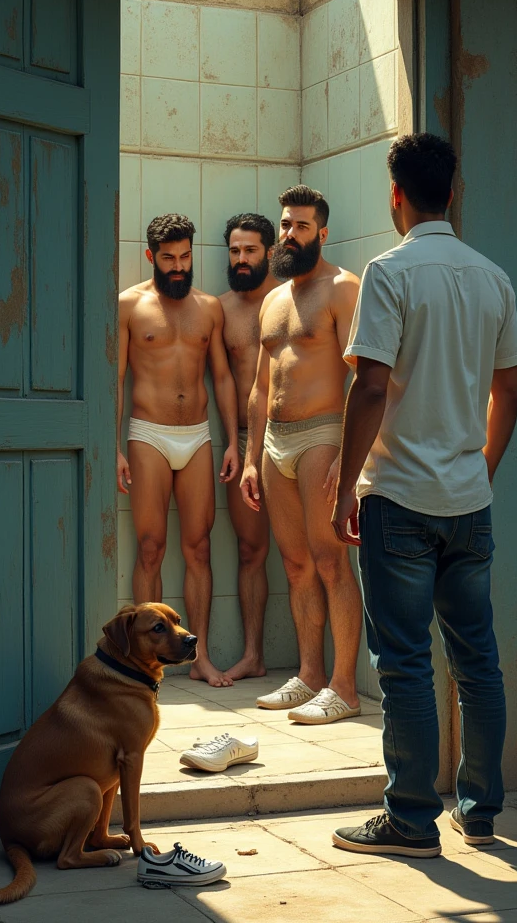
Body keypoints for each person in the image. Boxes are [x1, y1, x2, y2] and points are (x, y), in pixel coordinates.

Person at [331, 133, 517, 857]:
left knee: (407, 661)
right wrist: (482, 465)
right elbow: (510, 390)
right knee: (478, 660)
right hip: (467, 501)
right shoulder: (491, 277)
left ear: (395, 195)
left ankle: (410, 820)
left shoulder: (389, 272)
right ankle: (478, 811)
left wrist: (344, 485)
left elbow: (371, 384)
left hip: (400, 502)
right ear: (455, 191)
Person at [240, 185, 364, 724]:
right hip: (275, 443)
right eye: (285, 224)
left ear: (323, 233)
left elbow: (369, 373)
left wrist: (351, 452)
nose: (289, 234)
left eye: (301, 227)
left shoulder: (344, 289)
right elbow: (260, 386)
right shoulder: (272, 299)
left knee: (330, 560)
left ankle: (344, 687)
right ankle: (310, 675)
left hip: (323, 435)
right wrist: (249, 455)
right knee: (295, 566)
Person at [117, 213, 239, 688]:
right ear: (152, 256)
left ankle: (200, 656)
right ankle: (143, 665)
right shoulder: (129, 305)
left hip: (198, 436)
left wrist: (230, 440)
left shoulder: (209, 308)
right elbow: (118, 378)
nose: (178, 266)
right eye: (168, 258)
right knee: (151, 547)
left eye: (185, 257)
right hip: (148, 432)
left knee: (200, 548)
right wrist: (115, 448)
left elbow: (223, 377)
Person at [219, 212, 279, 681]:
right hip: (243, 441)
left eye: (250, 251)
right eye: (235, 251)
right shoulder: (222, 310)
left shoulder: (288, 300)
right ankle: (254, 655)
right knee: (249, 551)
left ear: (270, 253)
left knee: (314, 558)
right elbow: (221, 381)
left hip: (290, 433)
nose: (241, 260)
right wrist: (231, 445)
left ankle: (321, 671)